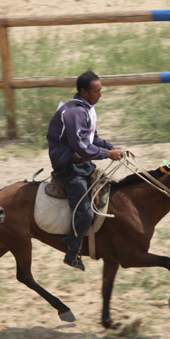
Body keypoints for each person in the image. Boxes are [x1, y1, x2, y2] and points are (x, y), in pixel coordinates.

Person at [46, 70, 124, 271]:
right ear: (83, 91)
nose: (100, 95)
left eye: (101, 90)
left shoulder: (87, 108)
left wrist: (110, 147)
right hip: (69, 167)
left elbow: (93, 139)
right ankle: (71, 250)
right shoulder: (74, 113)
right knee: (85, 214)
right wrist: (107, 155)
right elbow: (81, 146)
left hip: (82, 163)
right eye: (96, 91)